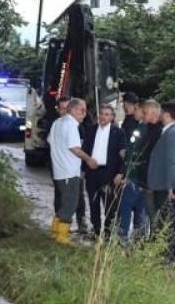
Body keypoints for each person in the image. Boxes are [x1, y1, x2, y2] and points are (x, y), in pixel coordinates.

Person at [49, 99, 99, 245]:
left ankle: (55, 230)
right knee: (70, 203)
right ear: (75, 110)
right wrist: (89, 159)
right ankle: (62, 236)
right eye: (83, 110)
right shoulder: (71, 125)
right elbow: (74, 148)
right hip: (69, 171)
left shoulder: (58, 122)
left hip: (59, 170)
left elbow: (51, 141)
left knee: (64, 201)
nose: (84, 114)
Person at [148, 102, 175, 263]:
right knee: (166, 220)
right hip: (165, 184)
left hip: (167, 186)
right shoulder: (171, 132)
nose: (159, 115)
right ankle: (165, 253)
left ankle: (167, 255)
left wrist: (170, 186)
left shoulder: (172, 133)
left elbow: (172, 162)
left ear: (167, 114)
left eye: (161, 112)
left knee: (168, 221)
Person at [117, 99, 160, 243]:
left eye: (137, 109)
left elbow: (132, 151)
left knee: (126, 206)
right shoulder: (153, 128)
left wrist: (124, 173)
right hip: (144, 176)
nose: (135, 112)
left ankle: (122, 237)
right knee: (142, 210)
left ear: (142, 111)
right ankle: (139, 239)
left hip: (135, 175)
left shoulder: (142, 128)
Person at [81, 104, 126, 238]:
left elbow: (123, 155)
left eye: (106, 114)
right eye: (101, 113)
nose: (103, 117)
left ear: (112, 117)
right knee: (93, 203)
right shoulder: (90, 130)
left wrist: (120, 172)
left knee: (110, 206)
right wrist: (84, 168)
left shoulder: (118, 133)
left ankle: (107, 233)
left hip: (109, 174)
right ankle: (95, 230)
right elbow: (85, 150)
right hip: (92, 173)